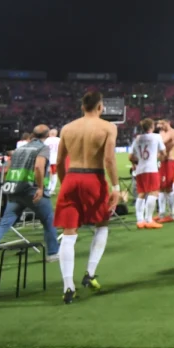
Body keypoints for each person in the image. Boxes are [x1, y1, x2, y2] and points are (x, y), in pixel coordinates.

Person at [55, 91, 120, 304]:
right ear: (100, 107)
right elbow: (109, 160)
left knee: (69, 232)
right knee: (102, 224)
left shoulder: (67, 128)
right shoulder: (108, 127)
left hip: (72, 177)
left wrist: (66, 183)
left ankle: (68, 286)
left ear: (82, 107)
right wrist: (116, 187)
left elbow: (60, 160)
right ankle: (89, 273)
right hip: (94, 177)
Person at [0, 125, 60, 273]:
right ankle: (52, 253)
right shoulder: (42, 149)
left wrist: (8, 186)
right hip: (31, 190)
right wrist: (40, 188)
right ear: (46, 136)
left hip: (14, 191)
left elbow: (6, 168)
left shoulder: (19, 149)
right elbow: (39, 167)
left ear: (32, 135)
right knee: (49, 220)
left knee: (3, 225)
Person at [129, 118, 164, 230]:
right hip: (151, 168)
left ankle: (140, 220)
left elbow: (130, 157)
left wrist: (135, 163)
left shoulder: (137, 139)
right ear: (152, 127)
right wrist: (159, 158)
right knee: (154, 192)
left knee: (142, 193)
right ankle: (149, 219)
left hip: (140, 169)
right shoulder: (157, 137)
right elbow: (163, 152)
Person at [44, 127, 61, 196]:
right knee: (55, 174)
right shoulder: (59, 140)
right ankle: (52, 189)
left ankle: (47, 188)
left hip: (48, 160)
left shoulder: (46, 140)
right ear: (56, 134)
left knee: (47, 175)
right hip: (56, 160)